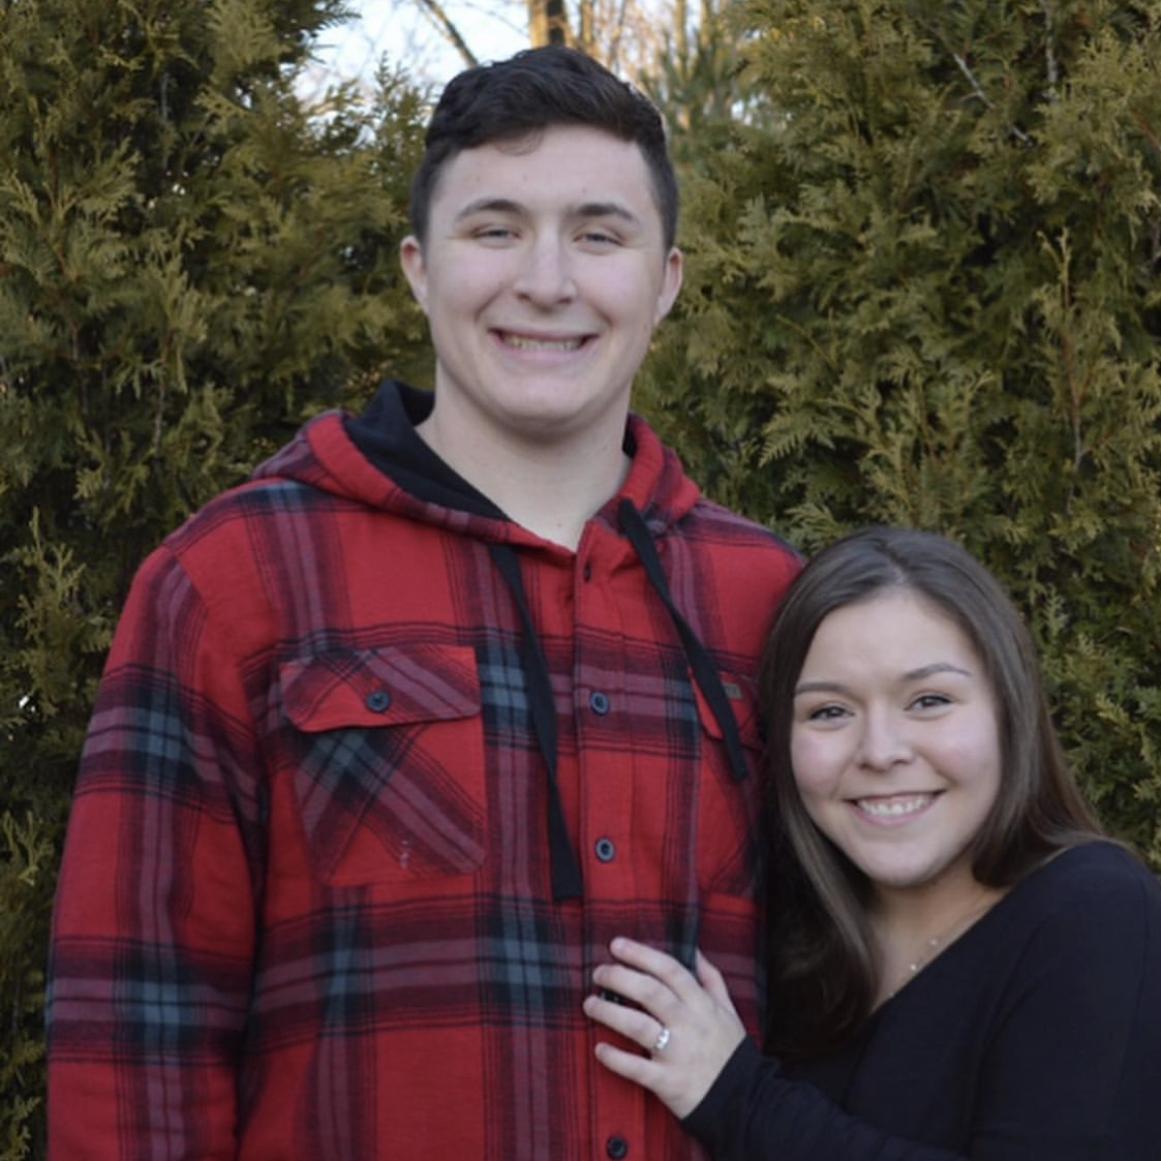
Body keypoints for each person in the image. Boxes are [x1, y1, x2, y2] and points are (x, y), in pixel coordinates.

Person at [45, 45, 802, 1161]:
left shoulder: (769, 600)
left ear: (666, 281)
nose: (547, 280)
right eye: (495, 229)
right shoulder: (236, 580)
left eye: (599, 235)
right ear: (417, 266)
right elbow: (135, 1035)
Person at [585, 526, 1161, 1160]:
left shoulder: (1095, 913)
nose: (881, 752)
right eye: (830, 712)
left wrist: (738, 1098)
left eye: (929, 700)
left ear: (1009, 713)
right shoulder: (793, 949)